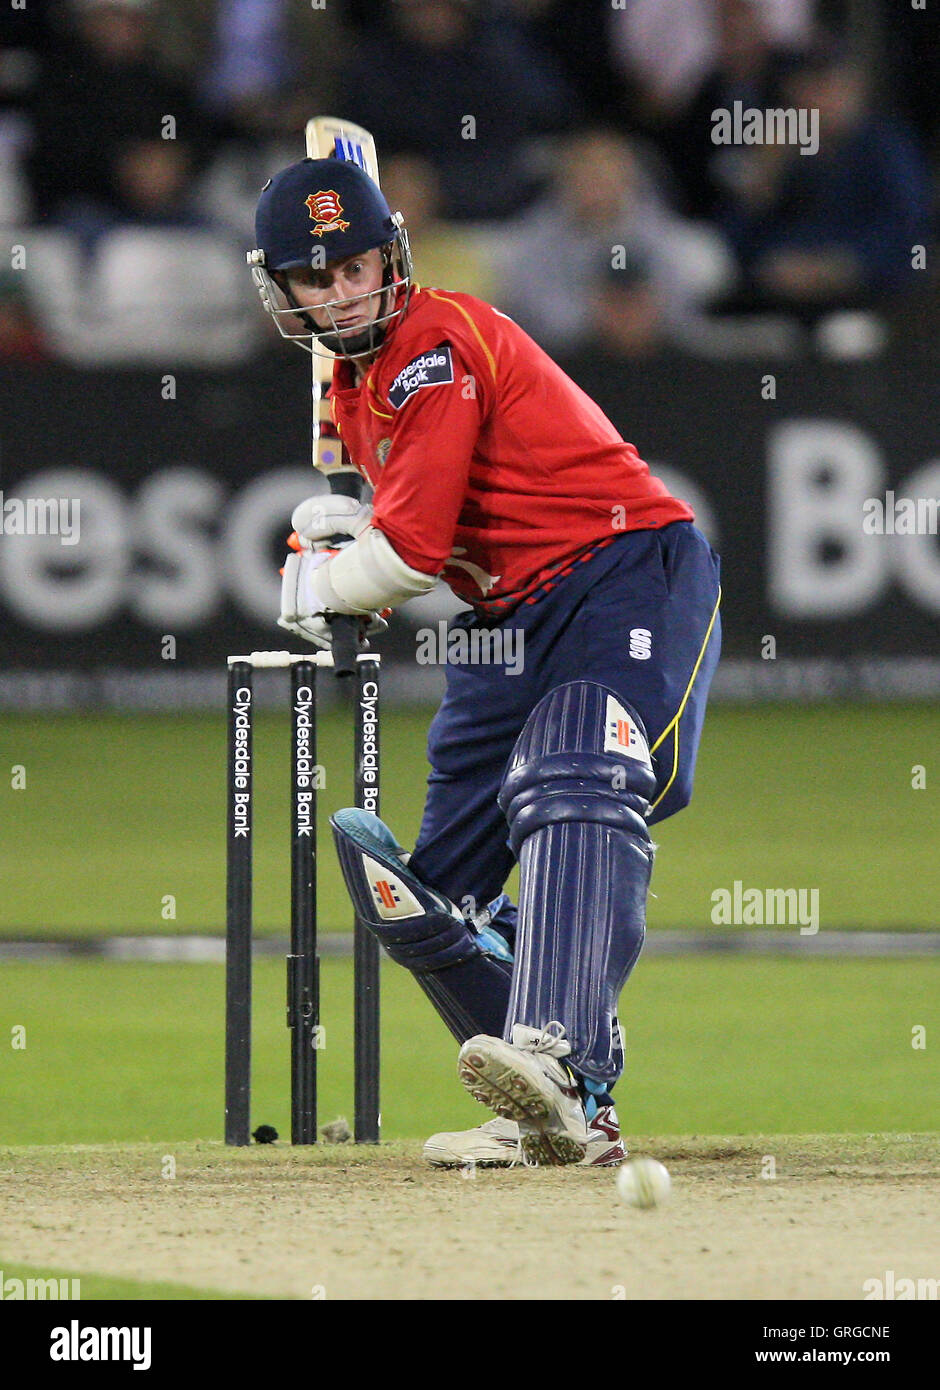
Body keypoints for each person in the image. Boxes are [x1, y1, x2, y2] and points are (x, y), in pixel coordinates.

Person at [248, 154, 721, 1168]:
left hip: (620, 569)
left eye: (356, 266)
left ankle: (559, 1050)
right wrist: (348, 526)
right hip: (507, 618)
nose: (341, 292)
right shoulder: (360, 385)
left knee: (575, 764)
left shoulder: (431, 342)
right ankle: (558, 1108)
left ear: (392, 256)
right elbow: (416, 525)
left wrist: (325, 579)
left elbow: (411, 556)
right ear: (280, 287)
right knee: (424, 894)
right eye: (313, 278)